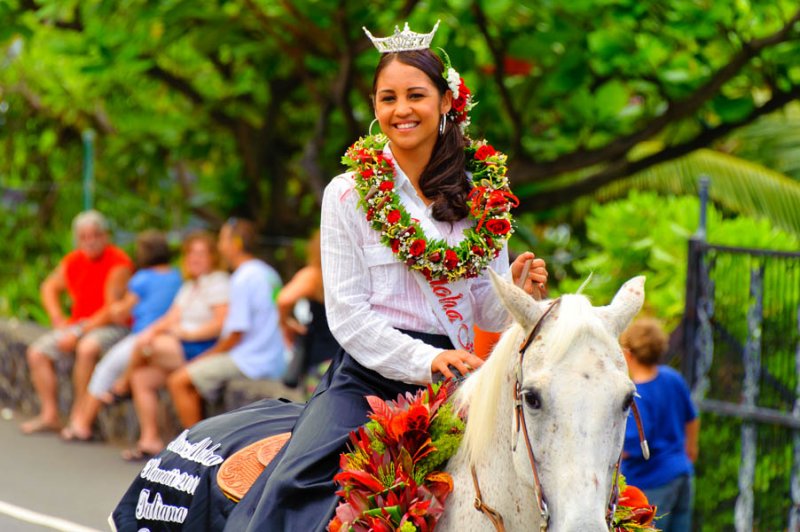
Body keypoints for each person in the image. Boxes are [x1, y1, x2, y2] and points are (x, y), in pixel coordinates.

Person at [224, 23, 548, 531]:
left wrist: (516, 293)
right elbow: (348, 318)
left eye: (416, 95)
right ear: (375, 107)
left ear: (446, 102)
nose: (402, 110)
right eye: (388, 98)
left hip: (463, 381)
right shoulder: (348, 194)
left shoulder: (484, 194)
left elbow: (483, 309)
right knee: (293, 485)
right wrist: (428, 359)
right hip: (370, 377)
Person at [61, 230, 183, 441]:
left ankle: (82, 423)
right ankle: (122, 390)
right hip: (167, 337)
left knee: (104, 370)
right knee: (135, 374)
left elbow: (120, 311)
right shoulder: (176, 276)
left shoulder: (142, 279)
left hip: (143, 336)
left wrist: (111, 297)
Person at [120, 230, 229, 460]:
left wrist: (187, 334)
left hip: (200, 347)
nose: (195, 258)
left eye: (201, 254)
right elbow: (171, 317)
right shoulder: (190, 286)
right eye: (191, 253)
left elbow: (220, 324)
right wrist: (151, 331)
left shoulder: (218, 283)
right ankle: (149, 439)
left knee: (144, 347)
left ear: (213, 257)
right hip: (180, 344)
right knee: (142, 378)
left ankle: (121, 385)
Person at [22, 210, 134, 435]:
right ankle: (49, 414)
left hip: (110, 326)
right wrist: (57, 317)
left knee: (86, 348)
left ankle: (80, 415)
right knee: (37, 353)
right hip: (78, 324)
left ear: (105, 236)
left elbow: (111, 309)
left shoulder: (119, 262)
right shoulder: (73, 260)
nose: (90, 241)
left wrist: (78, 332)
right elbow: (49, 287)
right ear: (78, 239)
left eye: (95, 235)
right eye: (84, 236)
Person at [166, 219, 285, 430]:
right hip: (275, 359)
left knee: (179, 381)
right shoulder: (268, 273)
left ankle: (194, 449)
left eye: (222, 239)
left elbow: (235, 335)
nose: (220, 247)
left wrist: (203, 359)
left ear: (236, 243)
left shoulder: (242, 278)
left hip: (250, 361)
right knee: (194, 383)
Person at [621, 317, 700, 532]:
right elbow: (692, 417)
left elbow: (633, 446)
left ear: (628, 354)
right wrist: (691, 449)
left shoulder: (636, 396)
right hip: (681, 473)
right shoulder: (672, 378)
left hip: (651, 484)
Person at [277, 230, 338, 391]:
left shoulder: (314, 274)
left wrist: (286, 322)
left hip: (321, 358)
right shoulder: (344, 275)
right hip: (345, 360)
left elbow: (284, 299)